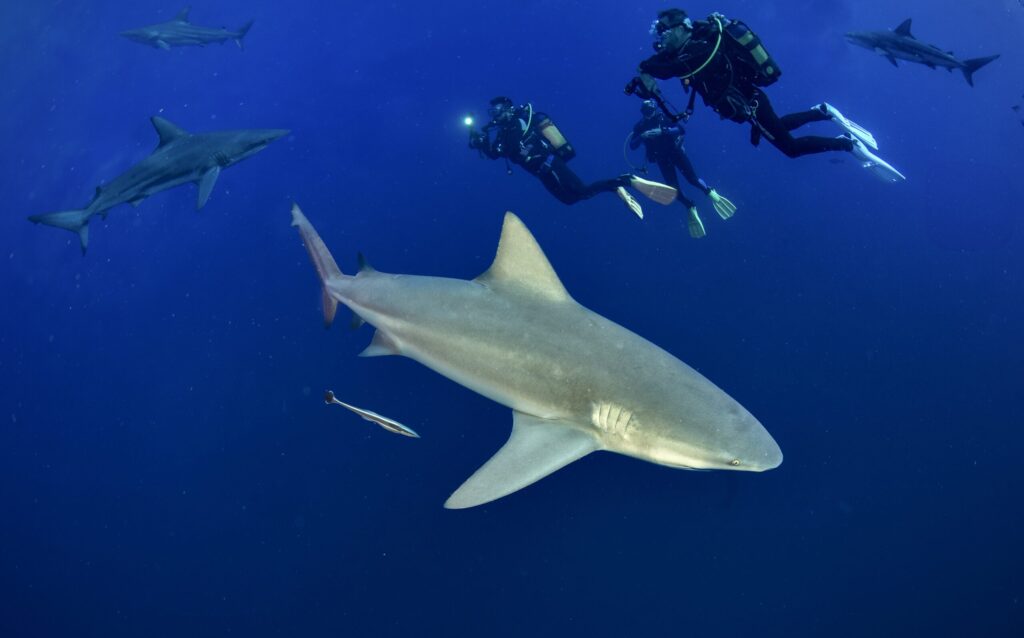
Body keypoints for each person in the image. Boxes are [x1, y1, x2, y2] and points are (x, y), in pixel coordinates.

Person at [626, 9, 904, 182]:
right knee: (778, 127)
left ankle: (846, 144)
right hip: (749, 103)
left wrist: (645, 67)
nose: (661, 38)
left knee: (791, 149)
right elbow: (661, 62)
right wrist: (645, 69)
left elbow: (671, 69)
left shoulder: (698, 50)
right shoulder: (688, 47)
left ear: (681, 28)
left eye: (664, 32)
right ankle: (822, 111)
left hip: (751, 102)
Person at [469, 96, 679, 219]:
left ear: (508, 109)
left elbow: (511, 149)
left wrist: (491, 144)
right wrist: (482, 144)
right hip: (541, 173)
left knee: (582, 191)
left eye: (497, 110)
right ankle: (616, 187)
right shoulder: (503, 132)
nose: (494, 115)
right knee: (569, 200)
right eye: (491, 112)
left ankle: (625, 181)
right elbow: (496, 154)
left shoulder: (519, 122)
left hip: (550, 164)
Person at [630, 98, 737, 238]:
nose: (648, 114)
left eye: (650, 111)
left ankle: (710, 192)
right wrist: (642, 136)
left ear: (655, 109)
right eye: (645, 112)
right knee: (673, 190)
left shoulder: (663, 118)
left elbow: (681, 129)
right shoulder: (640, 127)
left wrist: (663, 131)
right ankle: (690, 206)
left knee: (692, 179)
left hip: (676, 153)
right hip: (662, 160)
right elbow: (632, 146)